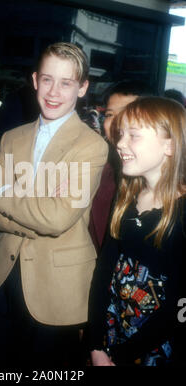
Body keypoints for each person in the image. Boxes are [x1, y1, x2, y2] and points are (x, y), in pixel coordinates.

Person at [0, 42, 108, 368]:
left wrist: (4, 191)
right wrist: (36, 206)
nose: (54, 91)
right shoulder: (12, 137)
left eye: (66, 82)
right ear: (34, 80)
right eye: (47, 79)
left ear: (83, 87)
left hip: (57, 291)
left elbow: (56, 219)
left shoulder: (91, 146)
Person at [88, 96, 186, 366]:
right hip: (111, 339)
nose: (120, 143)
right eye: (121, 135)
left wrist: (121, 357)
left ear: (170, 145)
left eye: (134, 135)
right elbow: (103, 271)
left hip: (155, 350)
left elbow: (178, 307)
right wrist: (96, 344)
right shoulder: (126, 200)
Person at [89, 80, 154, 252]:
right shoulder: (98, 167)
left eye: (128, 113)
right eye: (110, 115)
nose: (118, 123)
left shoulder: (157, 181)